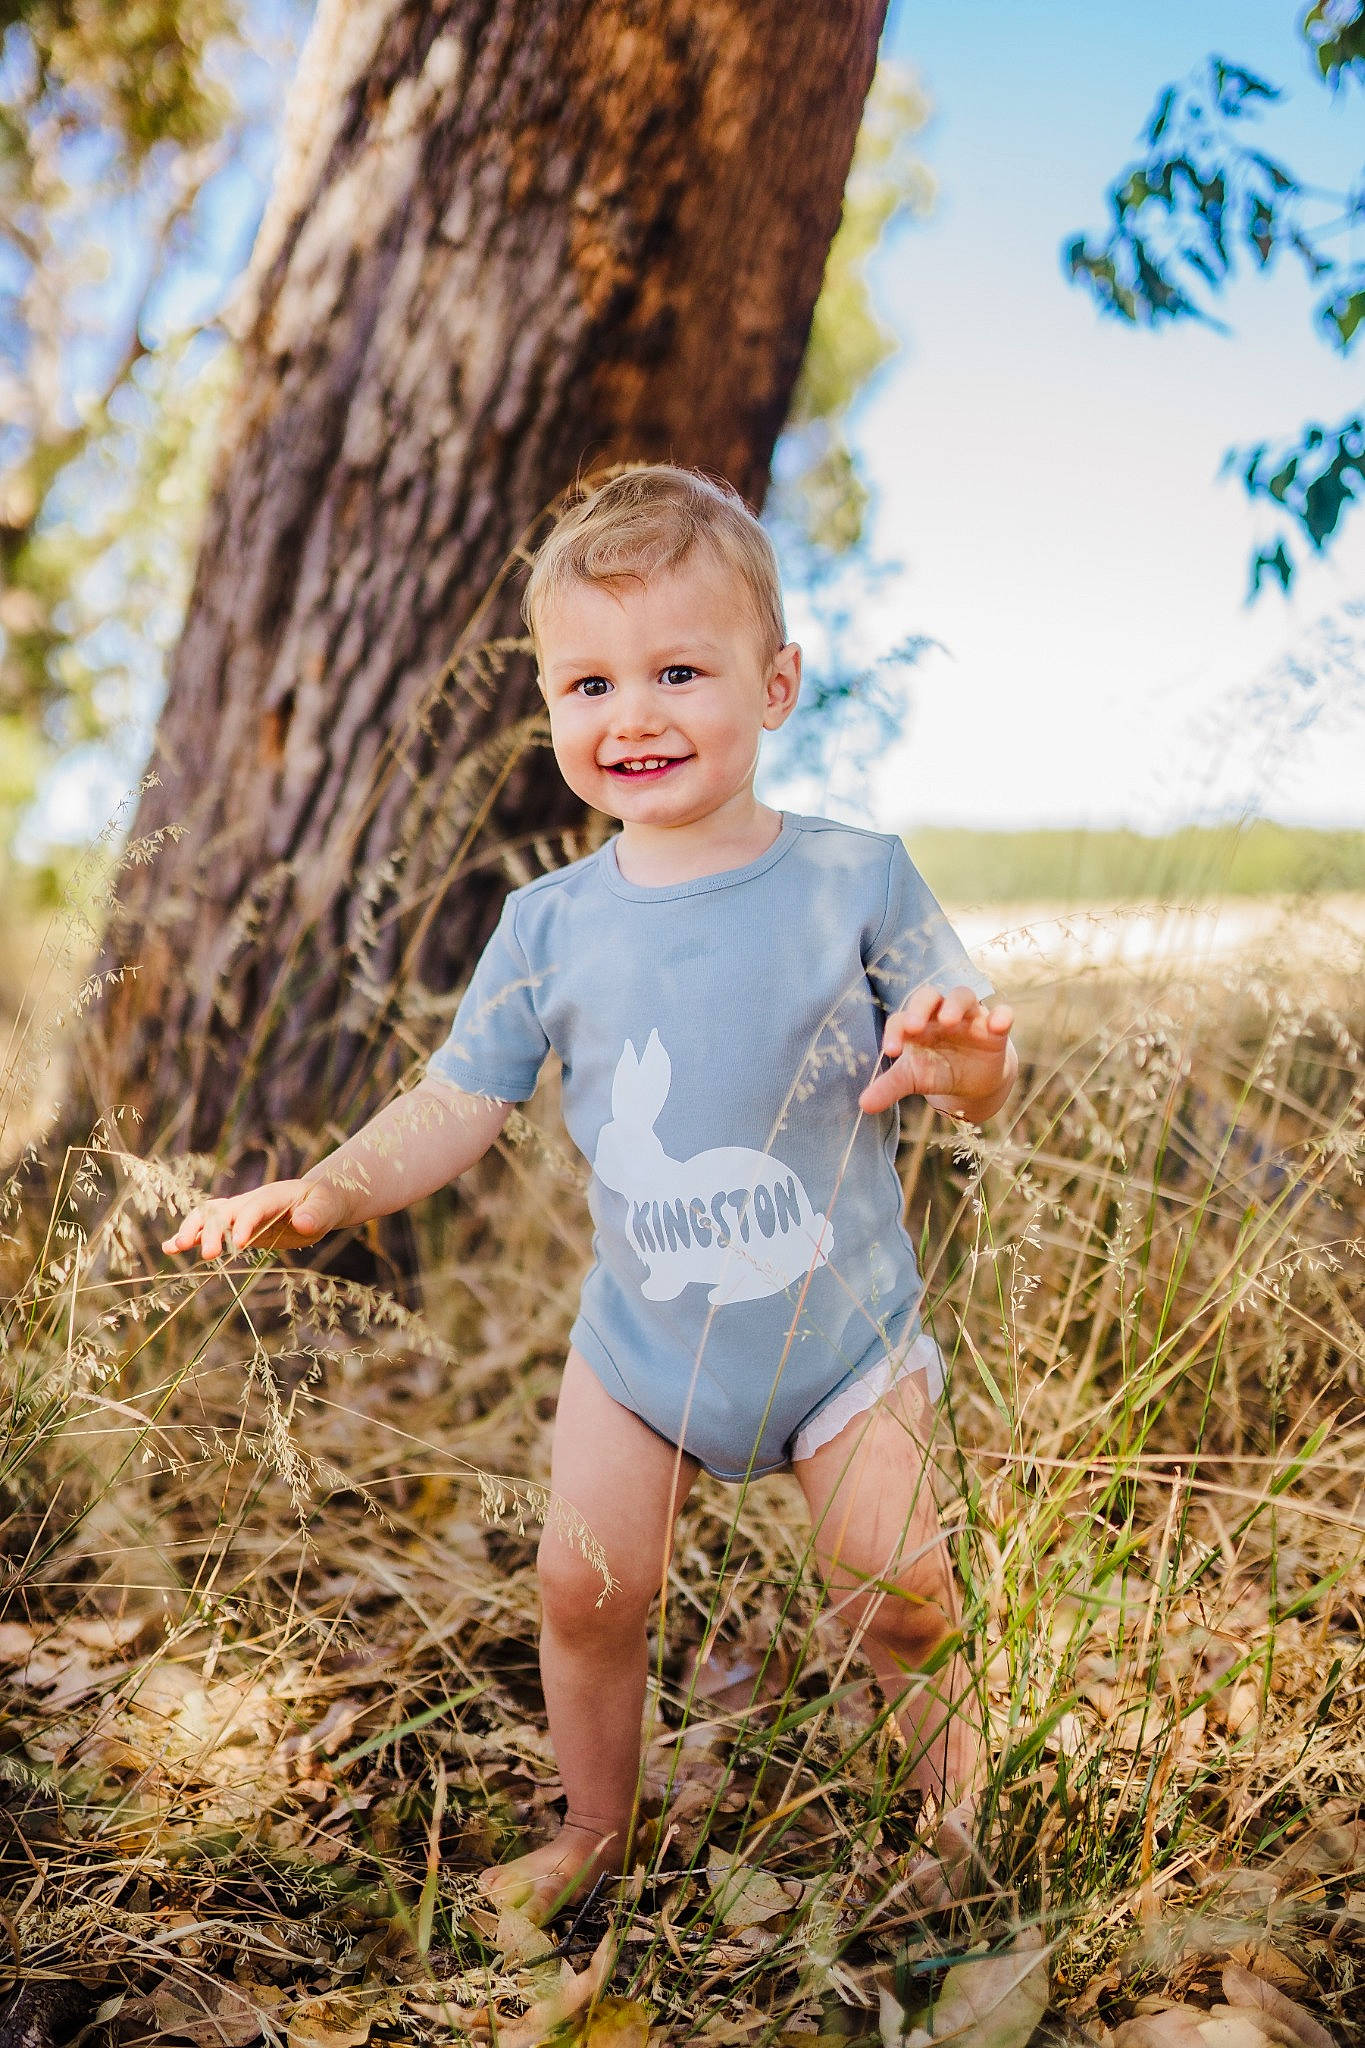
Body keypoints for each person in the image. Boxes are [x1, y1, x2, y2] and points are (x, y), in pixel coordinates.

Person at [162, 466, 1017, 1925]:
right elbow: (457, 1100)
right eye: (589, 683)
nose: (633, 715)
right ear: (551, 705)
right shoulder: (545, 927)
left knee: (896, 1585)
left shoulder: (856, 877)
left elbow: (976, 1068)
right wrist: (328, 1187)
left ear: (776, 684)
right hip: (642, 1350)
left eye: (679, 672)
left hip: (842, 1338)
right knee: (585, 1588)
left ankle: (957, 1820)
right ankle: (595, 1827)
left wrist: (963, 1064)